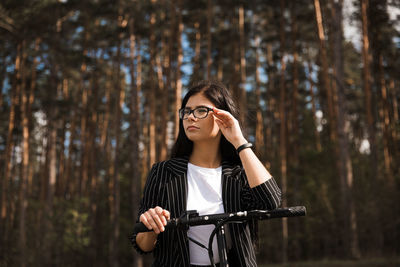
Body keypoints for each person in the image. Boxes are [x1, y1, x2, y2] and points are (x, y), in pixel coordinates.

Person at [130, 80, 281, 267]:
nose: (190, 117)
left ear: (223, 117)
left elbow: (270, 202)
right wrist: (152, 225)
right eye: (186, 111)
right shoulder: (164, 172)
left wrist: (239, 141)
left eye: (201, 111)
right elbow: (142, 246)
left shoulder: (239, 175)